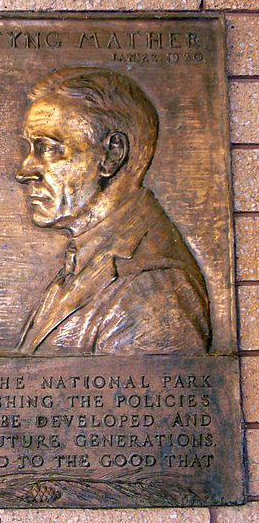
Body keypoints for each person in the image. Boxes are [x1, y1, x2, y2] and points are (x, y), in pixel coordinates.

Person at [15, 67, 210, 355]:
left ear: (111, 155)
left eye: (48, 148)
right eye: (31, 148)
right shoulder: (86, 260)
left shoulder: (154, 288)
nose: (25, 170)